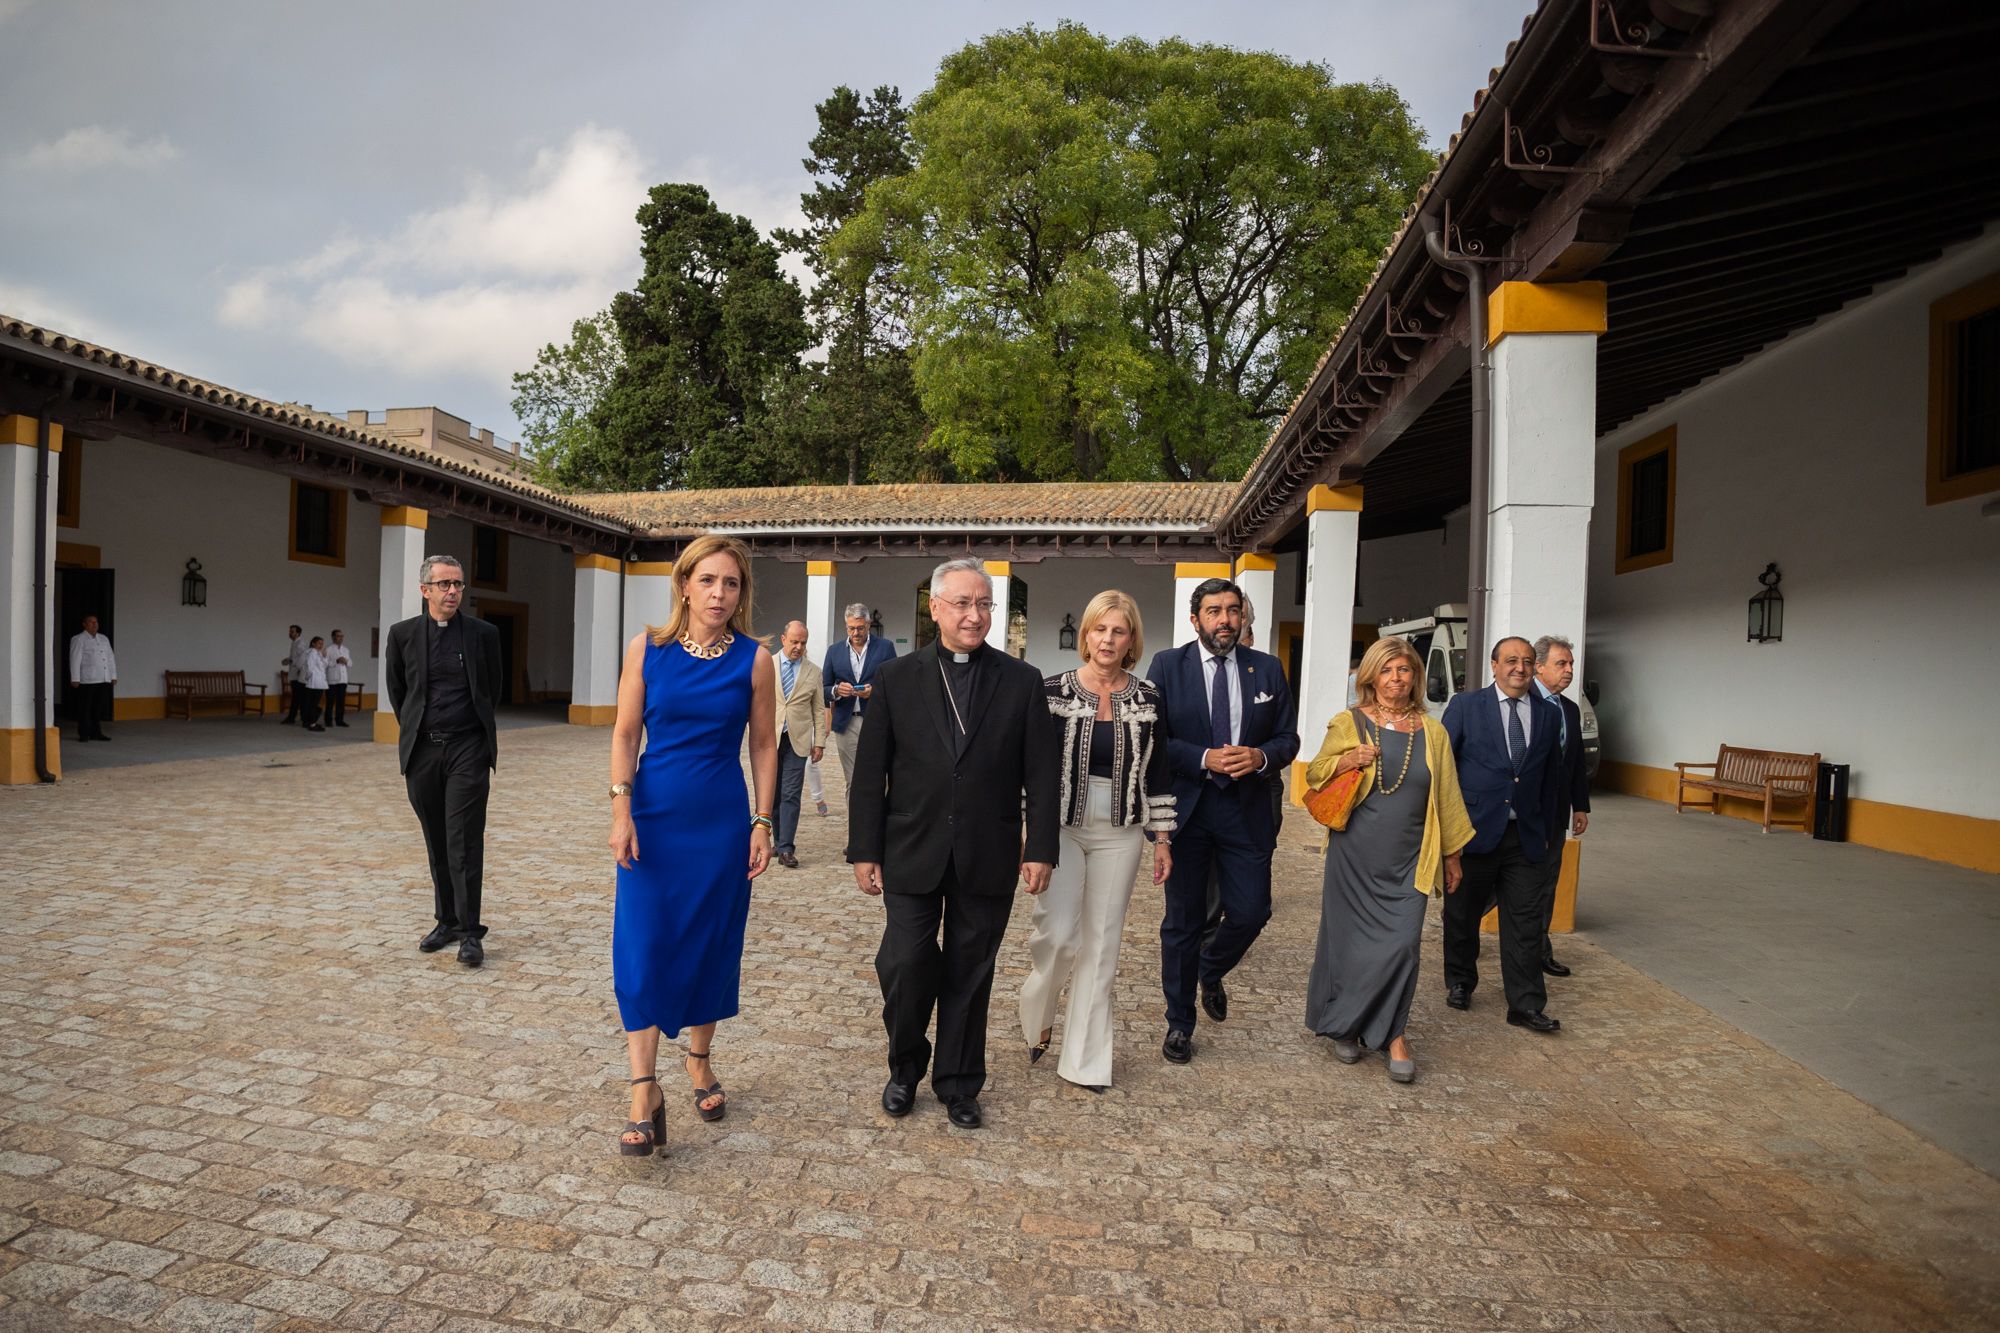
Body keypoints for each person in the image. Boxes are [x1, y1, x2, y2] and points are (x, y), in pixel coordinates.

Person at [848, 558, 1059, 1130]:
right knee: (906, 962)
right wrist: (864, 850)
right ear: (936, 608)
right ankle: (904, 1067)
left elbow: (1041, 774)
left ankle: (960, 1083)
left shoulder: (1021, 682)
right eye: (963, 603)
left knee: (971, 971)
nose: (975, 614)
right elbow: (871, 773)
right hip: (910, 848)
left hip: (988, 852)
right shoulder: (897, 678)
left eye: (985, 604)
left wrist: (1040, 847)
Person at [608, 535, 776, 1157]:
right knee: (643, 945)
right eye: (707, 581)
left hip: (719, 822)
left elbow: (763, 745)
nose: (719, 594)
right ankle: (642, 1088)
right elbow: (626, 733)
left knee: (710, 941)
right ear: (684, 585)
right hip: (653, 819)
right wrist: (621, 808)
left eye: (731, 584)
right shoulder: (646, 650)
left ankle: (699, 1060)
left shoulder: (755, 660)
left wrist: (762, 822)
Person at [1019, 590, 1175, 1091]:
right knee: (1061, 936)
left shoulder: (1148, 698)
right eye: (1099, 629)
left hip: (1122, 829)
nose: (1108, 639)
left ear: (1132, 640)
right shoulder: (1050, 692)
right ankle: (1037, 1009)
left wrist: (1163, 836)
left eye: (1119, 631)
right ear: (1085, 634)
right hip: (1060, 827)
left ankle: (1084, 1061)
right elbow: (1030, 770)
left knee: (1103, 944)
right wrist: (1030, 836)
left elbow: (1160, 770)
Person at [1302, 637, 1474, 1082]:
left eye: (1405, 670)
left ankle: (1394, 1033)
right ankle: (1346, 1025)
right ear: (1371, 677)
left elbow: (1448, 796)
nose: (1396, 679)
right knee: (1350, 945)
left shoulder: (1433, 732)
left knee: (1402, 946)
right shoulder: (1350, 722)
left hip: (1410, 859)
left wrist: (1452, 856)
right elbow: (1315, 772)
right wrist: (1348, 760)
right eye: (1387, 670)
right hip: (1354, 856)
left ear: (1416, 677)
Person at [1146, 577, 1299, 1065]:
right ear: (1196, 620)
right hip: (1188, 810)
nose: (1225, 620)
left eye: (1233, 611)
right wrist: (1204, 757)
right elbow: (1155, 741)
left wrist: (1260, 756)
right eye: (1214, 611)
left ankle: (1210, 970)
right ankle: (1179, 1023)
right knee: (1183, 922)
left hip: (1246, 811)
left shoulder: (1267, 669)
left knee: (1253, 911)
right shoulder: (1168, 666)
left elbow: (1288, 738)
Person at [1439, 636, 1567, 1032]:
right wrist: (1448, 838)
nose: (1521, 668)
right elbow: (1444, 771)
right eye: (1511, 660)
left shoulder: (1547, 714)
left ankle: (1525, 1004)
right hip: (1472, 833)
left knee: (1526, 921)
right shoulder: (1466, 706)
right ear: (1493, 665)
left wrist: (1547, 831)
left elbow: (1550, 778)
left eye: (1528, 661)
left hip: (1525, 837)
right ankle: (1461, 980)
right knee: (1462, 914)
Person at [384, 555, 503, 969]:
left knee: (464, 840)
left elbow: (493, 689)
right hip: (423, 751)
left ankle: (471, 932)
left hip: (468, 747)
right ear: (425, 591)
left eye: (458, 584)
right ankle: (446, 921)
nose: (453, 591)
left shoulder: (483, 634)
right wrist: (417, 732)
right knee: (436, 839)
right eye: (444, 584)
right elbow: (400, 692)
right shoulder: (401, 636)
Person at [1532, 635, 1591, 978]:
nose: (1569, 670)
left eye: (1570, 664)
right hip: (1520, 815)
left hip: (1555, 816)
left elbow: (1576, 762)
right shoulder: (1524, 704)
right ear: (1539, 667)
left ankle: (1541, 948)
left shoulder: (1568, 708)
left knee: (1547, 883)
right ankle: (1464, 936)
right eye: (1561, 664)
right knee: (1498, 885)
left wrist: (1579, 807)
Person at [771, 620, 827, 869]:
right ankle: (777, 840)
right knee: (772, 794)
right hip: (768, 740)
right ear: (783, 639)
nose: (798, 647)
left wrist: (820, 742)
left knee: (791, 794)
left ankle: (786, 848)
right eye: (794, 641)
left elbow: (818, 709)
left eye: (803, 642)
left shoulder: (813, 671)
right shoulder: (766, 665)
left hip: (799, 740)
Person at [824, 604, 895, 792]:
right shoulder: (834, 651)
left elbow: (896, 683)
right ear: (846, 626)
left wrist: (875, 691)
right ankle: (855, 821)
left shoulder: (885, 648)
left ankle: (877, 820)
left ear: (869, 624)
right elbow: (823, 688)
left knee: (876, 777)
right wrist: (837, 690)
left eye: (860, 628)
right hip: (846, 723)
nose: (856, 633)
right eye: (851, 628)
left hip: (875, 720)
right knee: (853, 780)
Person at [67, 614, 116, 743]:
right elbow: (75, 659)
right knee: (85, 708)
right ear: (84, 624)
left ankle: (96, 732)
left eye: (96, 622)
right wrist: (75, 678)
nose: (94, 624)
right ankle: (83, 733)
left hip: (102, 678)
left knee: (97, 708)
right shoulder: (79, 639)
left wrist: (113, 675)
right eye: (91, 622)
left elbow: (110, 658)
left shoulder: (103, 639)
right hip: (87, 679)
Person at [298, 635, 330, 732]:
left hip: (318, 682)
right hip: (314, 682)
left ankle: (309, 722)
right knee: (313, 704)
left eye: (322, 643)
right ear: (313, 643)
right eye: (319, 643)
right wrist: (308, 678)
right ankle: (312, 724)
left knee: (312, 703)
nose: (321, 645)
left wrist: (325, 657)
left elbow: (324, 666)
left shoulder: (318, 653)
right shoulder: (312, 652)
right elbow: (310, 667)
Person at [324, 628, 353, 728]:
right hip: (332, 679)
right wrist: (336, 661)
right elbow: (325, 664)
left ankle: (340, 720)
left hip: (343, 679)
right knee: (330, 701)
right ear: (333, 637)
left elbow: (350, 663)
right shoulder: (328, 649)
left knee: (341, 701)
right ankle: (328, 720)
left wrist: (346, 661)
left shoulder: (346, 650)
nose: (340, 638)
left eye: (342, 636)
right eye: (338, 636)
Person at [281, 624, 308, 724]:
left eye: (292, 631)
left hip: (298, 674)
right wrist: (288, 660)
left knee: (298, 697)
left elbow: (303, 657)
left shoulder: (300, 643)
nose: (290, 633)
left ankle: (296, 717)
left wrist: (298, 667)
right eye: (290, 631)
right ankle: (296, 717)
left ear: (298, 633)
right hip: (295, 673)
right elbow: (295, 657)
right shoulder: (294, 643)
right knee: (297, 697)